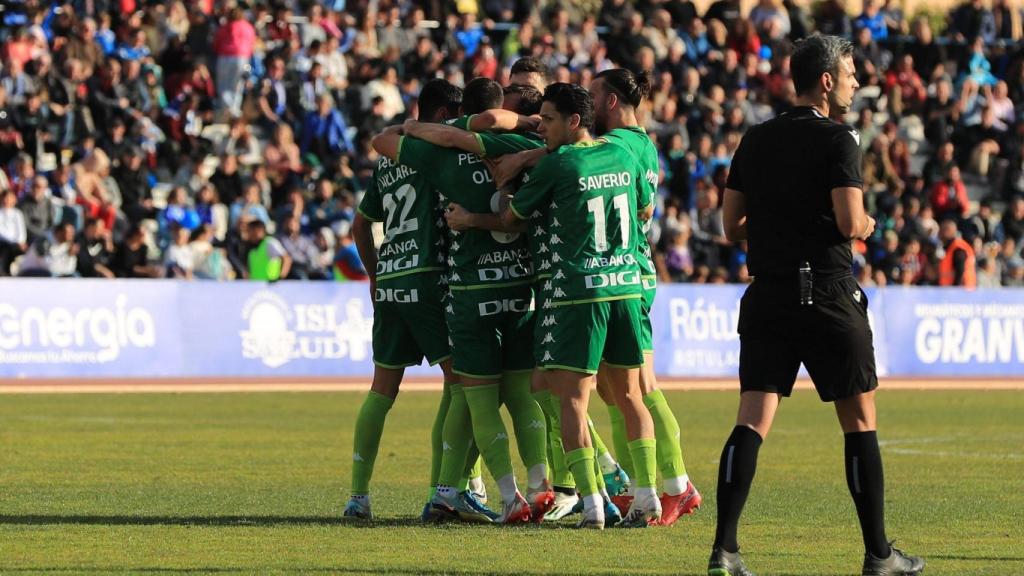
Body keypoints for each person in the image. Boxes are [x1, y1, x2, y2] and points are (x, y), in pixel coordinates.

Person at [709, 34, 923, 576]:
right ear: (826, 81)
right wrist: (866, 223)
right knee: (859, 422)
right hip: (826, 292)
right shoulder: (839, 138)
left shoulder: (755, 138)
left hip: (769, 293)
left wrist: (779, 222)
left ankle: (724, 551)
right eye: (850, 74)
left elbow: (730, 226)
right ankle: (879, 556)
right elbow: (851, 223)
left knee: (751, 422)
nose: (855, 83)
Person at [479, 83, 662, 529]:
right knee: (631, 395)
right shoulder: (623, 154)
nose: (541, 127)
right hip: (626, 288)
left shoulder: (560, 164)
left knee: (573, 401)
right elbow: (644, 209)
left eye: (549, 120)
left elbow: (511, 219)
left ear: (575, 122)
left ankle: (594, 503)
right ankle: (648, 496)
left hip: (580, 294)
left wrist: (478, 211)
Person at [372, 77, 552, 525]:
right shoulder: (527, 143)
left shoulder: (443, 152)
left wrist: (424, 127)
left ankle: (501, 495)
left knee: (474, 398)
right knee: (523, 395)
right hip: (521, 289)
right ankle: (540, 486)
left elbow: (382, 141)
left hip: (471, 291)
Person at [343, 79, 477, 523]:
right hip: (427, 276)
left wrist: (375, 276)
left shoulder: (387, 163)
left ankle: (358, 497)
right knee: (465, 382)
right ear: (441, 116)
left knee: (382, 389)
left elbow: (361, 227)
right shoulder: (432, 152)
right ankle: (445, 491)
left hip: (393, 279)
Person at [937, 218, 977, 287]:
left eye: (941, 230)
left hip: (960, 292)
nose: (939, 234)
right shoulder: (951, 247)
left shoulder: (958, 249)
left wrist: (955, 290)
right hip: (957, 291)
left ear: (948, 231)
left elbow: (960, 271)